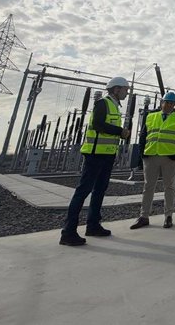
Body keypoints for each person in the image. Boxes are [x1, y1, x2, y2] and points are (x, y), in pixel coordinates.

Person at [60, 76, 131, 246]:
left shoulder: (114, 106)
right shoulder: (102, 104)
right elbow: (98, 125)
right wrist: (120, 131)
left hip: (106, 155)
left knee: (100, 190)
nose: (127, 92)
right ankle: (68, 232)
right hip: (94, 155)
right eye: (125, 89)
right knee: (83, 191)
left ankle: (93, 225)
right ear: (116, 89)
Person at [130, 92, 175, 230]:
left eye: (171, 103)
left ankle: (168, 216)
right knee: (148, 186)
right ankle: (144, 216)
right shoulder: (150, 116)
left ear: (174, 105)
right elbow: (143, 136)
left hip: (169, 156)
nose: (168, 105)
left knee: (169, 186)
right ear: (161, 102)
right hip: (151, 155)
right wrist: (141, 156)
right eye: (166, 102)